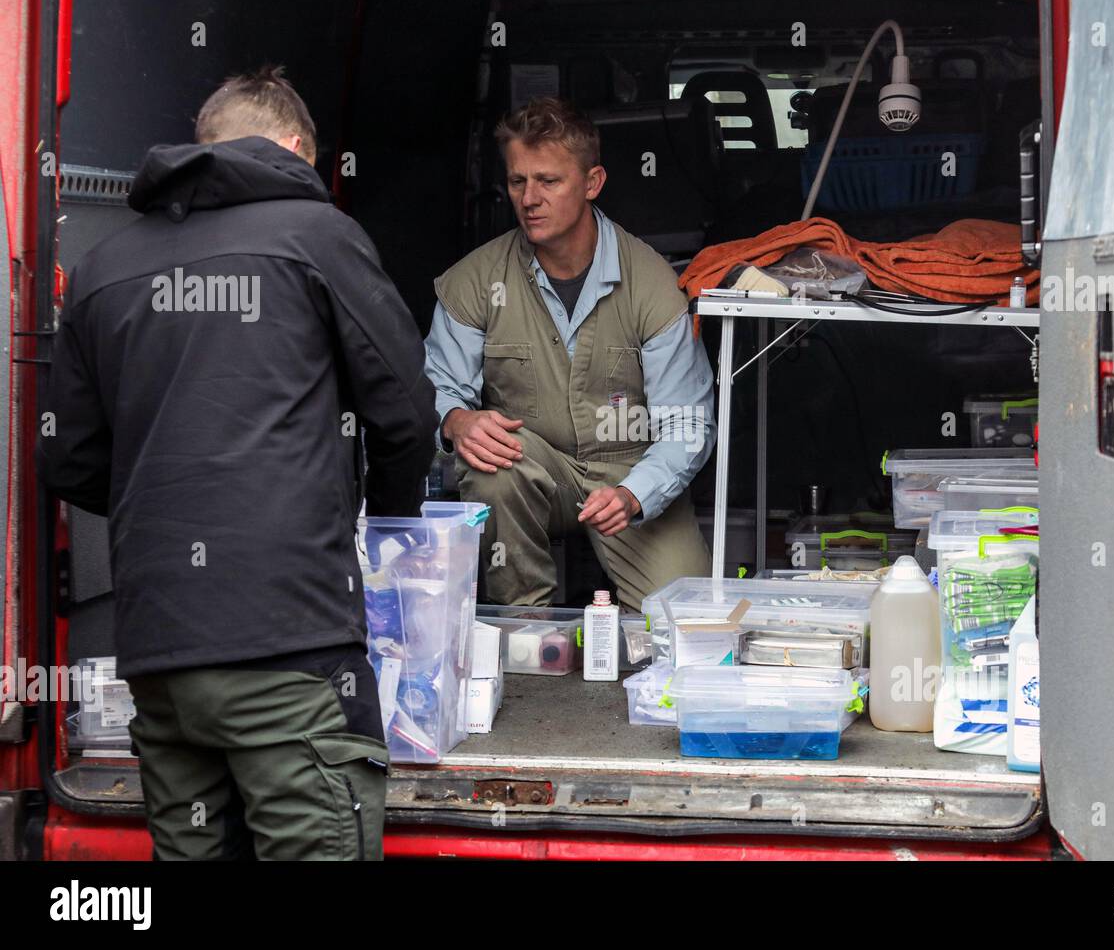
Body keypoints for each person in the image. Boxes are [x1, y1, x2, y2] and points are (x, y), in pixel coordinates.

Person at [37, 66, 440, 859]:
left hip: (159, 657)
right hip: (288, 647)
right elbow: (403, 407)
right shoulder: (317, 236)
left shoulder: (103, 268)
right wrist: (390, 520)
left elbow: (70, 460)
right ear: (293, 148)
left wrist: (163, 503)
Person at [424, 97, 715, 610]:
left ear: (592, 182)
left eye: (549, 181)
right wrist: (454, 419)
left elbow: (688, 425)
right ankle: (526, 632)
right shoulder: (475, 280)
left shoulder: (652, 283)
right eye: (518, 182)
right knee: (492, 462)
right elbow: (438, 389)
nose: (529, 199)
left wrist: (634, 493)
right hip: (534, 468)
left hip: (631, 472)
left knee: (684, 625)